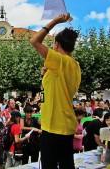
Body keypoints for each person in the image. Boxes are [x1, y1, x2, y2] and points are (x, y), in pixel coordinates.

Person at [30, 13, 81, 169]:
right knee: (66, 165)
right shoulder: (74, 65)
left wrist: (56, 21)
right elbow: (49, 93)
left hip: (54, 126)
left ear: (57, 44)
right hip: (63, 125)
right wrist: (45, 77)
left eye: (53, 43)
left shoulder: (60, 61)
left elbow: (34, 40)